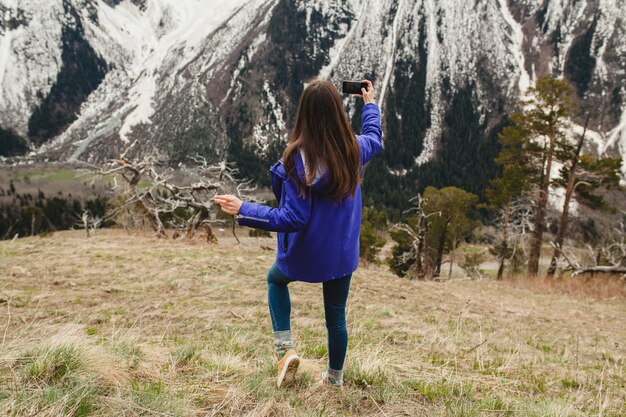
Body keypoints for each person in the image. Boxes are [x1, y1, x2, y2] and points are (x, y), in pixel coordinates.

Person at [214, 79, 383, 388]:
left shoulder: (297, 160)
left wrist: (243, 209)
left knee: (275, 281)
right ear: (337, 113)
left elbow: (293, 218)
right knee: (336, 316)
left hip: (306, 253)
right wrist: (369, 104)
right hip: (341, 254)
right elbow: (375, 136)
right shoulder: (353, 149)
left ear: (304, 114)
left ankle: (284, 351)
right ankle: (334, 380)